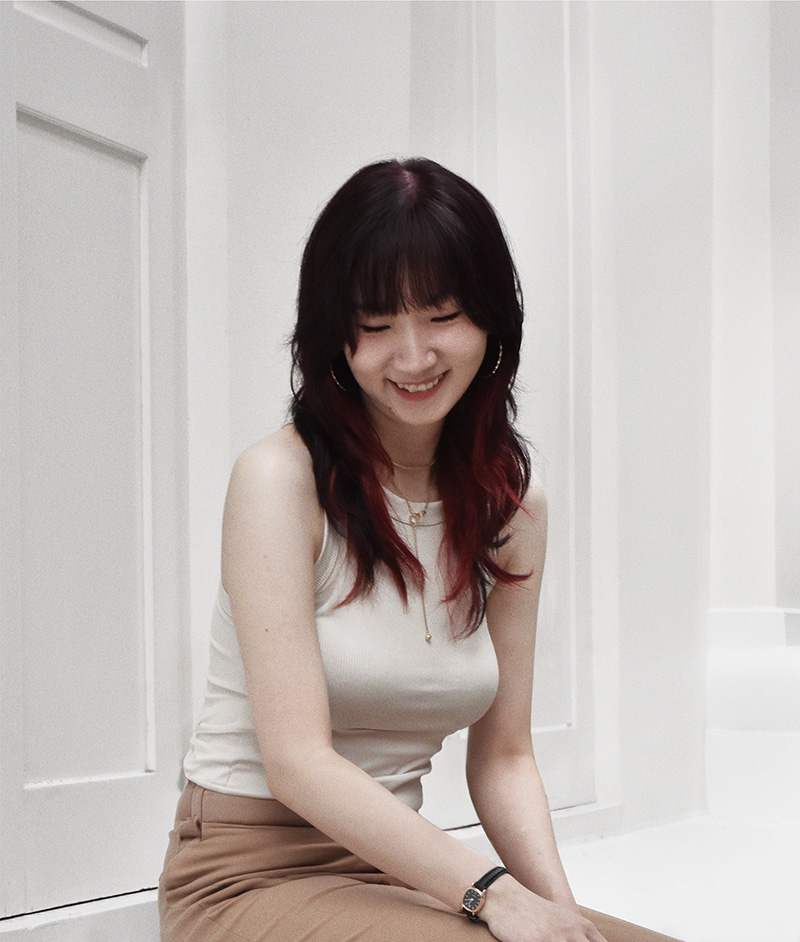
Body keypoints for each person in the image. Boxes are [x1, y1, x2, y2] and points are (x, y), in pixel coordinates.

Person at [159, 158, 680, 942]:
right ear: (335, 335)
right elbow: (297, 760)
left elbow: (502, 759)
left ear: (491, 319)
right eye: (375, 323)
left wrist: (562, 918)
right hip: (246, 874)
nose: (411, 356)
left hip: (396, 874)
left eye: (441, 315)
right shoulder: (279, 479)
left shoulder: (514, 510)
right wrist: (495, 896)